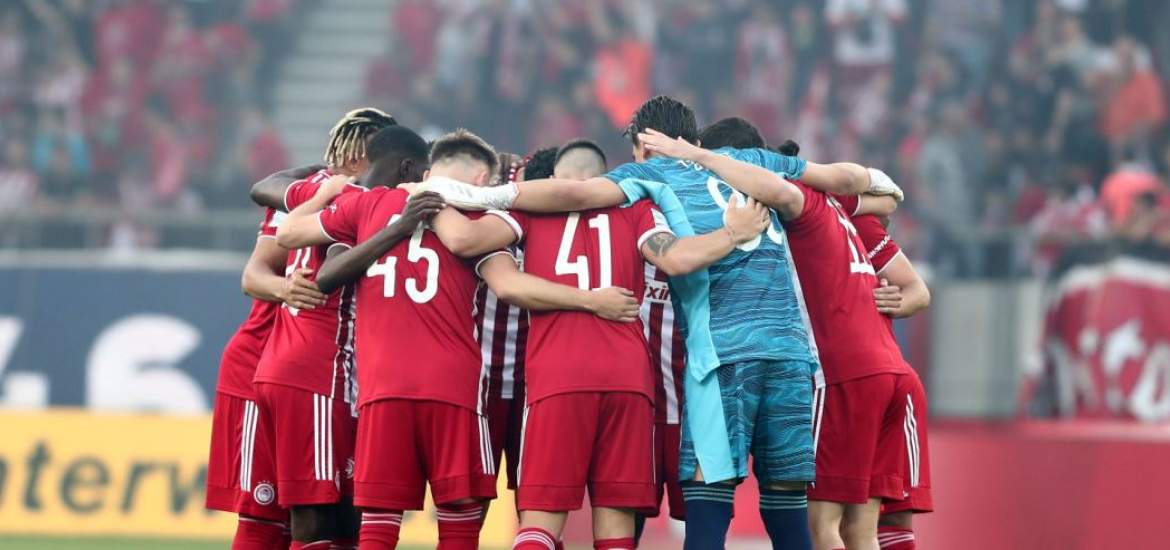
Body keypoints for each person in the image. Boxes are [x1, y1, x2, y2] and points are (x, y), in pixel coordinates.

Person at [417, 97, 900, 550]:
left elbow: (580, 194)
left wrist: (484, 194)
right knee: (786, 496)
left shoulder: (647, 176)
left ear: (644, 145)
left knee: (708, 490)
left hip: (719, 355)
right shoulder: (753, 161)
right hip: (790, 353)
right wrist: (884, 186)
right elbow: (847, 180)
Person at [274, 129, 643, 550]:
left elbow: (289, 233)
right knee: (462, 522)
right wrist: (592, 300)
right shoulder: (476, 220)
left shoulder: (369, 203)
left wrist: (330, 192)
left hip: (382, 387)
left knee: (378, 522)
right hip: (456, 389)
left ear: (429, 172)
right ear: (482, 181)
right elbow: (507, 284)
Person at [421, 158, 769, 550]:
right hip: (628, 379)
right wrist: (732, 233)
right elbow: (675, 258)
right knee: (616, 526)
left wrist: (426, 192)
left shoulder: (528, 212)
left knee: (541, 521)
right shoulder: (638, 209)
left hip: (559, 376)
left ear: (555, 180)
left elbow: (473, 248)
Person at [640, 119, 914, 550]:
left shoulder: (781, 200)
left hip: (816, 369)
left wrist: (697, 157)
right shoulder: (832, 203)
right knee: (858, 526)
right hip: (878, 367)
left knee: (818, 523)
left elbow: (678, 256)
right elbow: (885, 206)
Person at [246, 109, 398, 550]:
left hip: (318, 368)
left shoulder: (303, 194)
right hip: (316, 366)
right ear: (356, 157)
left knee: (342, 514)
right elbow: (257, 274)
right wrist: (286, 288)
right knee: (309, 516)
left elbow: (265, 192)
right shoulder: (350, 198)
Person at [205, 186, 322, 549]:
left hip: (327, 377)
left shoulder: (383, 203)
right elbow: (252, 276)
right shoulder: (304, 195)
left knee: (323, 516)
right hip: (262, 366)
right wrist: (287, 289)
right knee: (265, 515)